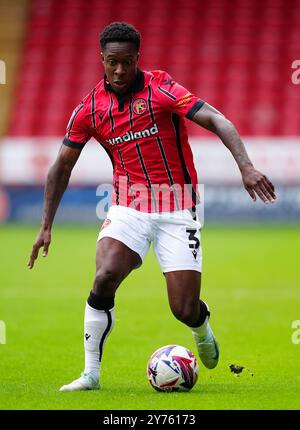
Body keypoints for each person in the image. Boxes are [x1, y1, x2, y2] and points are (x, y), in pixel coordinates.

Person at [28, 22, 276, 391]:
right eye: (112, 62)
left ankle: (201, 326)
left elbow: (216, 119)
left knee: (183, 308)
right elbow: (61, 166)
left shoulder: (161, 88)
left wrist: (246, 166)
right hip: (129, 205)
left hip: (178, 207)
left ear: (137, 59)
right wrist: (46, 224)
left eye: (127, 62)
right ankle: (91, 374)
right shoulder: (90, 109)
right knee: (104, 276)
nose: (119, 71)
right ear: (102, 59)